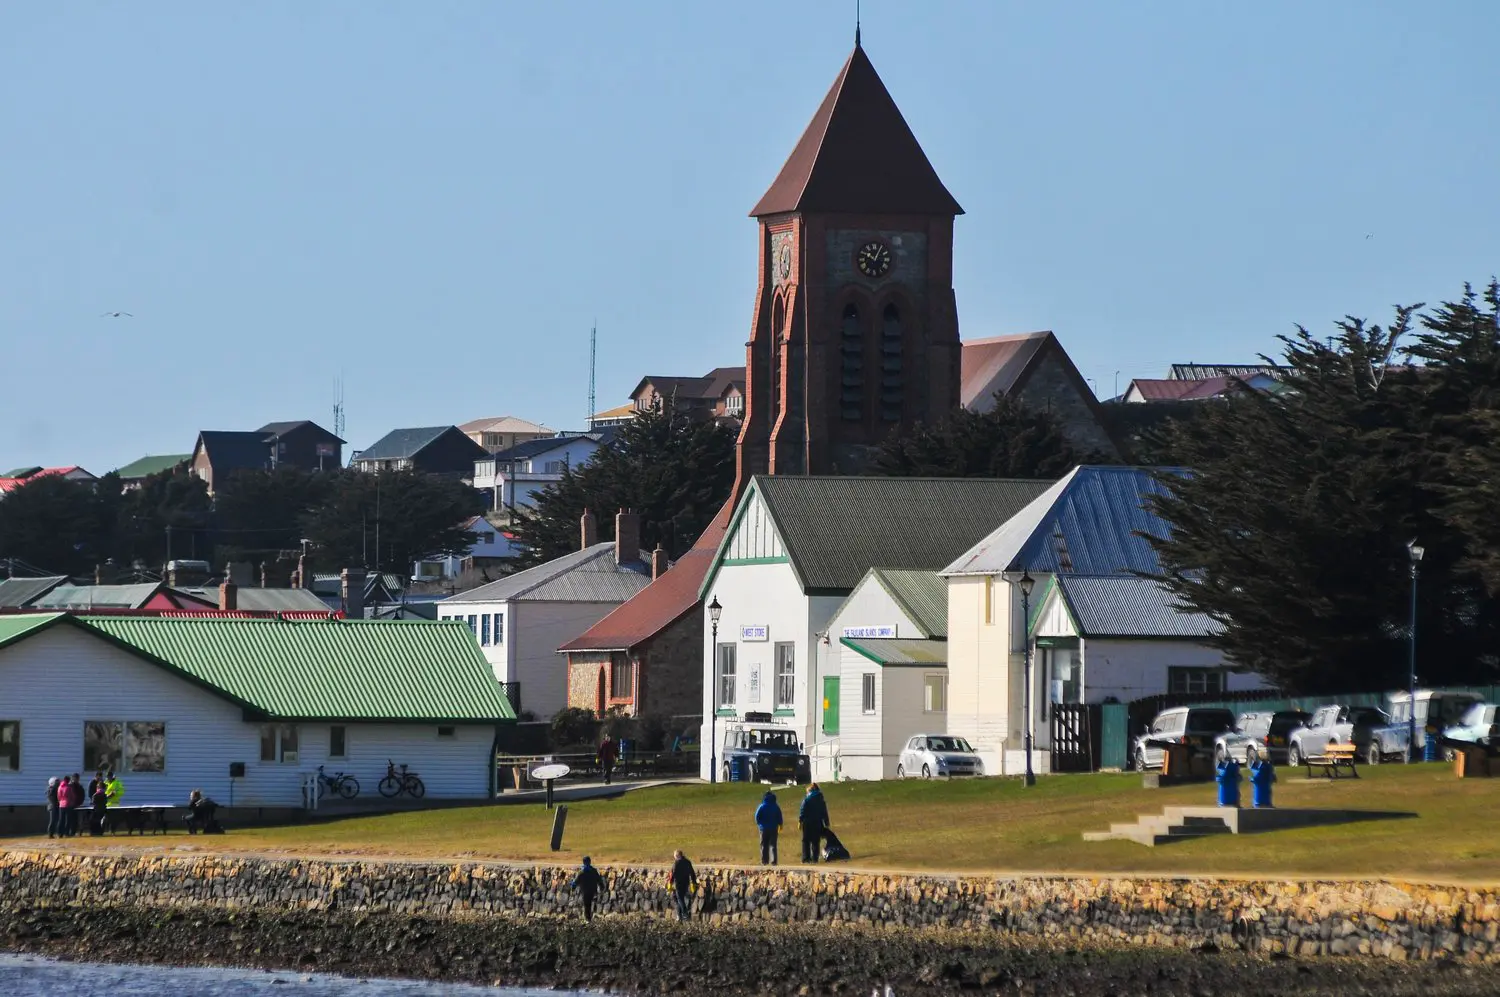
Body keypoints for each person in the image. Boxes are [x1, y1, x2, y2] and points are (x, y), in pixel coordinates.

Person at [798, 783, 829, 864]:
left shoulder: (807, 799)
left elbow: (802, 810)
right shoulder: (821, 800)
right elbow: (824, 812)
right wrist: (826, 822)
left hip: (807, 822)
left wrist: (800, 820)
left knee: (806, 840)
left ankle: (806, 858)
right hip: (818, 822)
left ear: (810, 791)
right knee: (816, 840)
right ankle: (815, 858)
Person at [572, 856, 604, 922]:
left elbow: (575, 882)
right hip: (593, 891)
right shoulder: (594, 871)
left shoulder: (582, 872)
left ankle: (588, 919)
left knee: (586, 905)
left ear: (583, 863)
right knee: (589, 904)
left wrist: (573, 888)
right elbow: (599, 880)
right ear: (590, 862)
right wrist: (601, 887)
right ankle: (590, 918)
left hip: (585, 891)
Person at [754, 790, 783, 865]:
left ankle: (764, 861)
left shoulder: (762, 806)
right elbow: (779, 816)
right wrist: (780, 824)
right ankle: (774, 861)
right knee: (773, 845)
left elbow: (757, 816)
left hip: (763, 828)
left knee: (764, 845)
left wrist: (759, 824)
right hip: (774, 828)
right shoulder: (776, 806)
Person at [667, 850, 697, 922]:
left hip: (678, 884)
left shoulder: (676, 863)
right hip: (686, 883)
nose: (674, 857)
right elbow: (692, 873)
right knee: (679, 900)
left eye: (674, 855)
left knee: (680, 899)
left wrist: (669, 886)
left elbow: (672, 876)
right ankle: (679, 916)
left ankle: (685, 913)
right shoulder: (687, 862)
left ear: (677, 855)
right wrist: (693, 882)